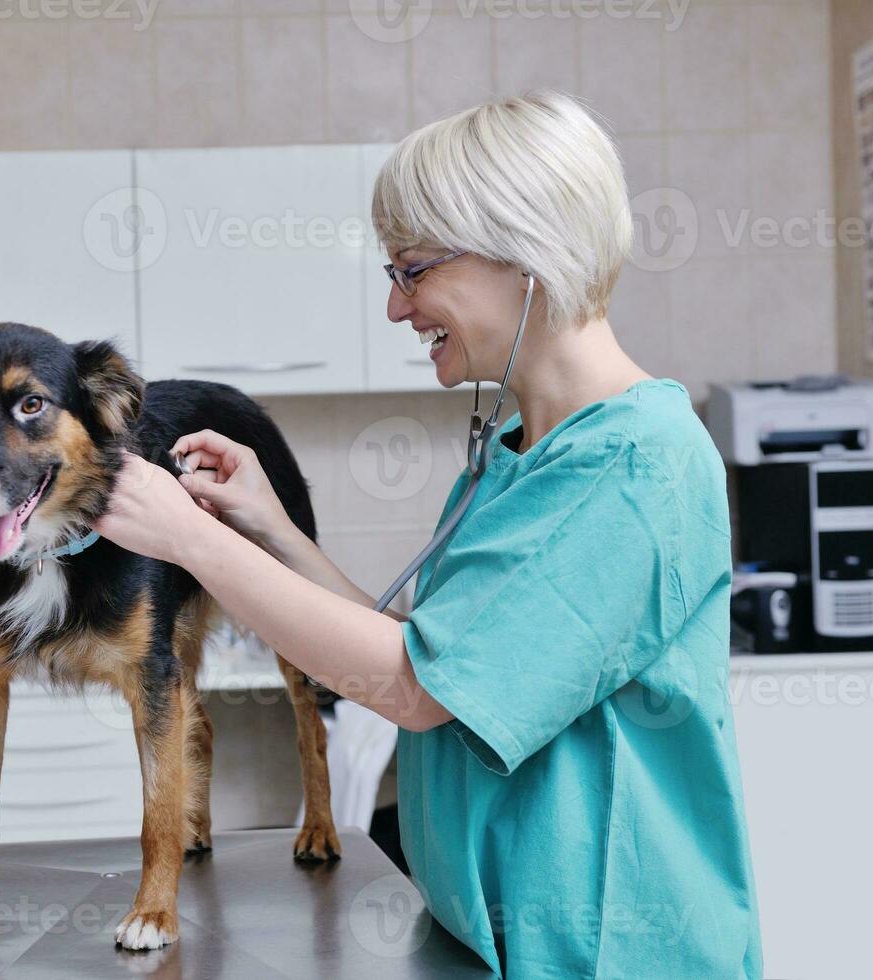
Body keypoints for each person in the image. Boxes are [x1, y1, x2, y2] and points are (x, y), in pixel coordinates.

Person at [92, 91, 762, 977]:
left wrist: (190, 541)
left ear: (524, 252)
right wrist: (271, 530)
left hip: (606, 955)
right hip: (494, 943)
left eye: (413, 270)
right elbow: (432, 657)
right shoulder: (519, 454)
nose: (396, 309)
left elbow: (416, 691)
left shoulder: (638, 465)